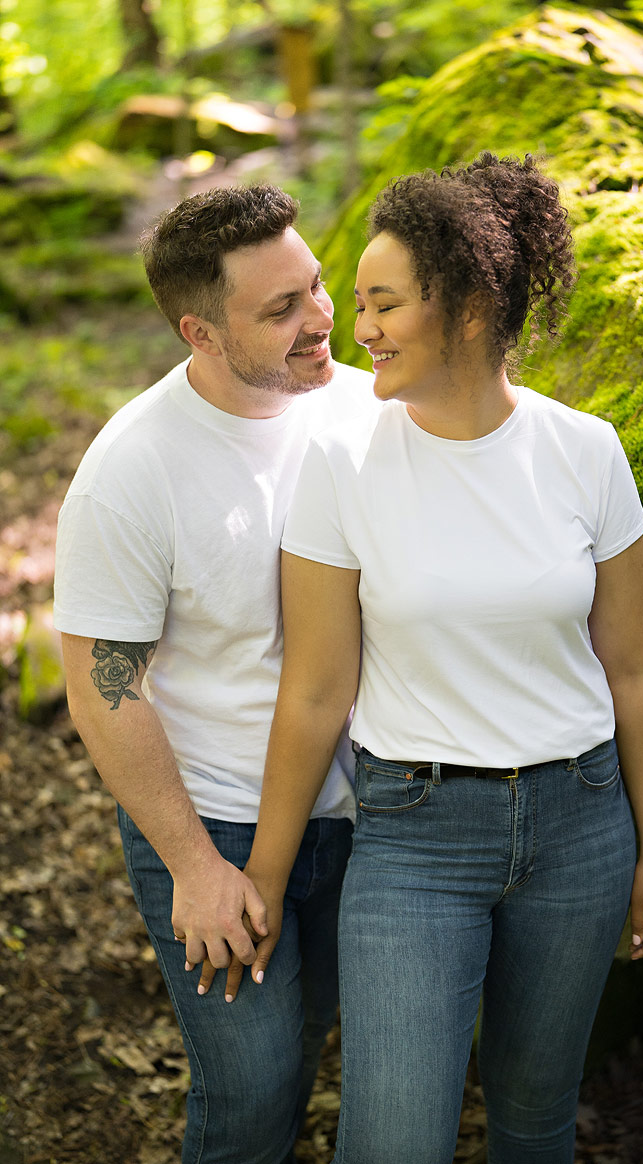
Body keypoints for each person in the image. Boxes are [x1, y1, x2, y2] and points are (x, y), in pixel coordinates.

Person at [217, 151, 643, 1163]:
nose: (360, 326)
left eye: (384, 301)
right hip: (415, 840)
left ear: (469, 307)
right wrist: (262, 873)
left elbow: (637, 668)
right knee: (393, 1141)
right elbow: (317, 691)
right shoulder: (340, 465)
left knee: (533, 1117)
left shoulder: (586, 451)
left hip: (580, 828)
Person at [53, 183, 378, 1164]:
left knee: (331, 1050)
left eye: (316, 285)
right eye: (281, 309)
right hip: (222, 822)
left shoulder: (369, 410)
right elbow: (104, 687)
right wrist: (195, 865)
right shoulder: (133, 468)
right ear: (200, 330)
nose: (322, 318)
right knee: (252, 1089)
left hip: (377, 811)